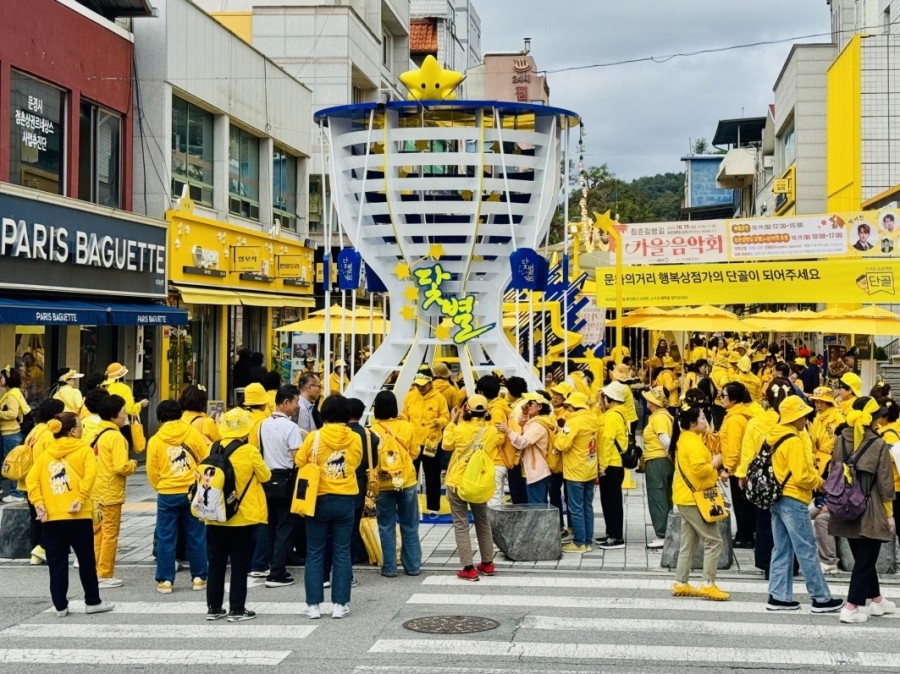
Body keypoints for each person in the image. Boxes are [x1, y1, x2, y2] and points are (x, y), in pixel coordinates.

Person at [26, 412, 114, 617]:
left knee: (56, 563)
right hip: (78, 515)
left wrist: (39, 503)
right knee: (86, 559)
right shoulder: (84, 450)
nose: (82, 429)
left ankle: (60, 606)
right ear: (73, 431)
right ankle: (92, 601)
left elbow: (32, 480)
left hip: (51, 516)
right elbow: (90, 475)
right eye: (80, 426)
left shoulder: (46, 454)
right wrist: (80, 497)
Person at [764, 396, 843, 613]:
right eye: (802, 414)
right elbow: (802, 477)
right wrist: (820, 482)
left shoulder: (774, 435)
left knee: (781, 548)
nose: (806, 417)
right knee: (807, 548)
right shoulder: (794, 441)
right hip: (794, 497)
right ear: (795, 417)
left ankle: (778, 596)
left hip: (777, 497)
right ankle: (820, 598)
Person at [827, 397, 897, 622]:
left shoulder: (840, 440)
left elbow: (833, 470)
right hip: (870, 506)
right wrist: (889, 513)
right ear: (874, 418)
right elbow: (886, 483)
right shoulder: (878, 443)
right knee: (866, 559)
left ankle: (876, 600)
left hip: (845, 506)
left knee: (862, 557)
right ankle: (851, 607)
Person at [296, 395, 361, 619]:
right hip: (345, 498)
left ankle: (313, 605)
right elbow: (356, 462)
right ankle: (340, 604)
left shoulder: (314, 437)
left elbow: (299, 462)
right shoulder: (354, 438)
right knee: (342, 551)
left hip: (318, 499)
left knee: (315, 551)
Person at [204, 408, 271, 622]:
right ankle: (237, 609)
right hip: (242, 516)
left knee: (216, 562)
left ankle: (214, 608)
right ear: (245, 430)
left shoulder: (214, 447)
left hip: (215, 514)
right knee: (240, 564)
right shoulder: (250, 451)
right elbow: (265, 475)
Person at [147, 400, 210, 594]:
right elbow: (205, 459)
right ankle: (199, 577)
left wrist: (161, 485)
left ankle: (165, 580)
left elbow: (152, 470)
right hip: (192, 491)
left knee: (166, 536)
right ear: (180, 414)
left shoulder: (156, 440)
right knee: (196, 534)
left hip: (167, 492)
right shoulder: (192, 433)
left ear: (160, 418)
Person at [670, 399, 730, 601]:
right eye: (703, 418)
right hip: (694, 498)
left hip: (686, 497)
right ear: (693, 423)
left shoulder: (686, 439)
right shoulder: (692, 442)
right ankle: (708, 583)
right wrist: (714, 462)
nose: (706, 421)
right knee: (714, 541)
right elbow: (699, 470)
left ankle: (681, 582)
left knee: (689, 542)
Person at [443, 395, 501, 581]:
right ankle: (487, 563)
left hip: (458, 480)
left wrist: (452, 421)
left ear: (465, 410)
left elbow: (446, 444)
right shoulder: (491, 431)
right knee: (482, 521)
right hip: (479, 480)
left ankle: (468, 568)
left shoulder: (459, 429)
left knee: (461, 524)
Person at [371, 390, 421, 578]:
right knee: (410, 524)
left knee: (386, 525)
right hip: (406, 479)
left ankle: (390, 567)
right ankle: (413, 566)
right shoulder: (406, 426)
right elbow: (415, 452)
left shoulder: (373, 430)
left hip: (383, 483)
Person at [258, 385, 302, 588]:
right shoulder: (291, 427)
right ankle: (277, 572)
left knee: (270, 525)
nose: (297, 405)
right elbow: (297, 459)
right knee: (286, 525)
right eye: (295, 401)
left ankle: (270, 564)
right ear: (285, 402)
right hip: (286, 478)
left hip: (267, 478)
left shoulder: (263, 424)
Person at [92, 394, 137, 588]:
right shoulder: (116, 437)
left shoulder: (94, 432)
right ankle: (105, 574)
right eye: (123, 413)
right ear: (113, 415)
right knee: (110, 534)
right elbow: (120, 466)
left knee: (97, 534)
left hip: (95, 491)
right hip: (110, 492)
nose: (125, 416)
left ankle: (94, 571)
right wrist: (132, 464)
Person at [554, 392, 600, 553]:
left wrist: (558, 434)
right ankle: (587, 540)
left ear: (575, 407)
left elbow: (562, 445)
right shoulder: (593, 419)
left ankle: (579, 543)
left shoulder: (573, 422)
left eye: (568, 406)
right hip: (590, 467)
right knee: (587, 506)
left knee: (576, 507)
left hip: (575, 470)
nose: (567, 409)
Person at [808, 386, 846, 575]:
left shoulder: (835, 418)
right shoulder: (818, 417)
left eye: (821, 401)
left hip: (829, 463)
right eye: (815, 400)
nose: (817, 404)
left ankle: (828, 559)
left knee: (821, 513)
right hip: (819, 461)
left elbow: (834, 447)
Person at [21, 399, 64, 565]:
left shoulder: (35, 430)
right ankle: (43, 549)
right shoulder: (48, 434)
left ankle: (36, 553)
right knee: (48, 518)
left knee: (36, 518)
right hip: (42, 482)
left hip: (28, 481)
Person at [401, 372, 450, 513]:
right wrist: (402, 418)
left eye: (423, 385)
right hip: (413, 442)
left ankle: (433, 507)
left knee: (432, 475)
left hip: (431, 442)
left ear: (430, 383)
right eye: (418, 385)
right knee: (411, 475)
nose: (420, 388)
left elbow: (445, 417)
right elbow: (406, 414)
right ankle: (409, 507)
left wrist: (439, 422)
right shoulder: (410, 396)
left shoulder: (439, 398)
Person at [498, 393, 555, 505]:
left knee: (536, 506)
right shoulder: (537, 421)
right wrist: (524, 414)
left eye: (530, 403)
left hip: (537, 471)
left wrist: (508, 431)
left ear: (539, 407)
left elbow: (522, 442)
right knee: (536, 504)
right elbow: (524, 426)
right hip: (535, 469)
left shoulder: (538, 425)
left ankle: (539, 523)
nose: (527, 405)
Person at [720, 382, 756, 549]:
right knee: (745, 503)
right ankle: (746, 533)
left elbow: (735, 447)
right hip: (742, 466)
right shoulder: (741, 415)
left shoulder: (735, 419)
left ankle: (744, 535)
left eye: (723, 395)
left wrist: (728, 468)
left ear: (733, 399)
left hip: (737, 468)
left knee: (741, 504)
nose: (720, 398)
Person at [347, 397, 378, 578]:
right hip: (359, 485)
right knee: (352, 527)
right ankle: (350, 562)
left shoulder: (340, 433)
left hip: (337, 483)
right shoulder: (369, 435)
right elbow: (373, 461)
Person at [478, 375, 518, 508]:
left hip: (495, 459)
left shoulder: (495, 412)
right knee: (496, 499)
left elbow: (498, 438)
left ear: (482, 392)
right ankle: (496, 528)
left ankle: (491, 529)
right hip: (498, 460)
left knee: (492, 500)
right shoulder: (500, 408)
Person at [597, 382, 629, 550]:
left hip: (611, 464)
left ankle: (616, 537)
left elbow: (607, 442)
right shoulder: (619, 414)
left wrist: (602, 466)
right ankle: (611, 533)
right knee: (610, 501)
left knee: (612, 502)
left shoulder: (612, 416)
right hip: (615, 464)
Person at [642, 387, 674, 549]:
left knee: (658, 497)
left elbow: (665, 440)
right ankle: (667, 532)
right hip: (662, 462)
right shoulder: (660, 416)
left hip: (658, 461)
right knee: (665, 497)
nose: (646, 401)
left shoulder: (660, 417)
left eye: (649, 398)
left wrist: (672, 458)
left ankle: (662, 534)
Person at [103, 363, 148, 453]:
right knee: (122, 450)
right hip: (121, 423)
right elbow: (130, 409)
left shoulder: (103, 386)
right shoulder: (124, 388)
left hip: (104, 423)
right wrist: (140, 404)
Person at [0, 366, 30, 501]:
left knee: (13, 462)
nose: (0, 379)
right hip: (8, 432)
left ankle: (16, 493)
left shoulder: (12, 395)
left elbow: (12, 413)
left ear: (8, 379)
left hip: (11, 432)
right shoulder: (13, 393)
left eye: (2, 377)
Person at [296, 372, 322, 440]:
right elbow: (303, 438)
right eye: (319, 386)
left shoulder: (307, 407)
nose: (320, 390)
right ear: (309, 388)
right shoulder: (302, 409)